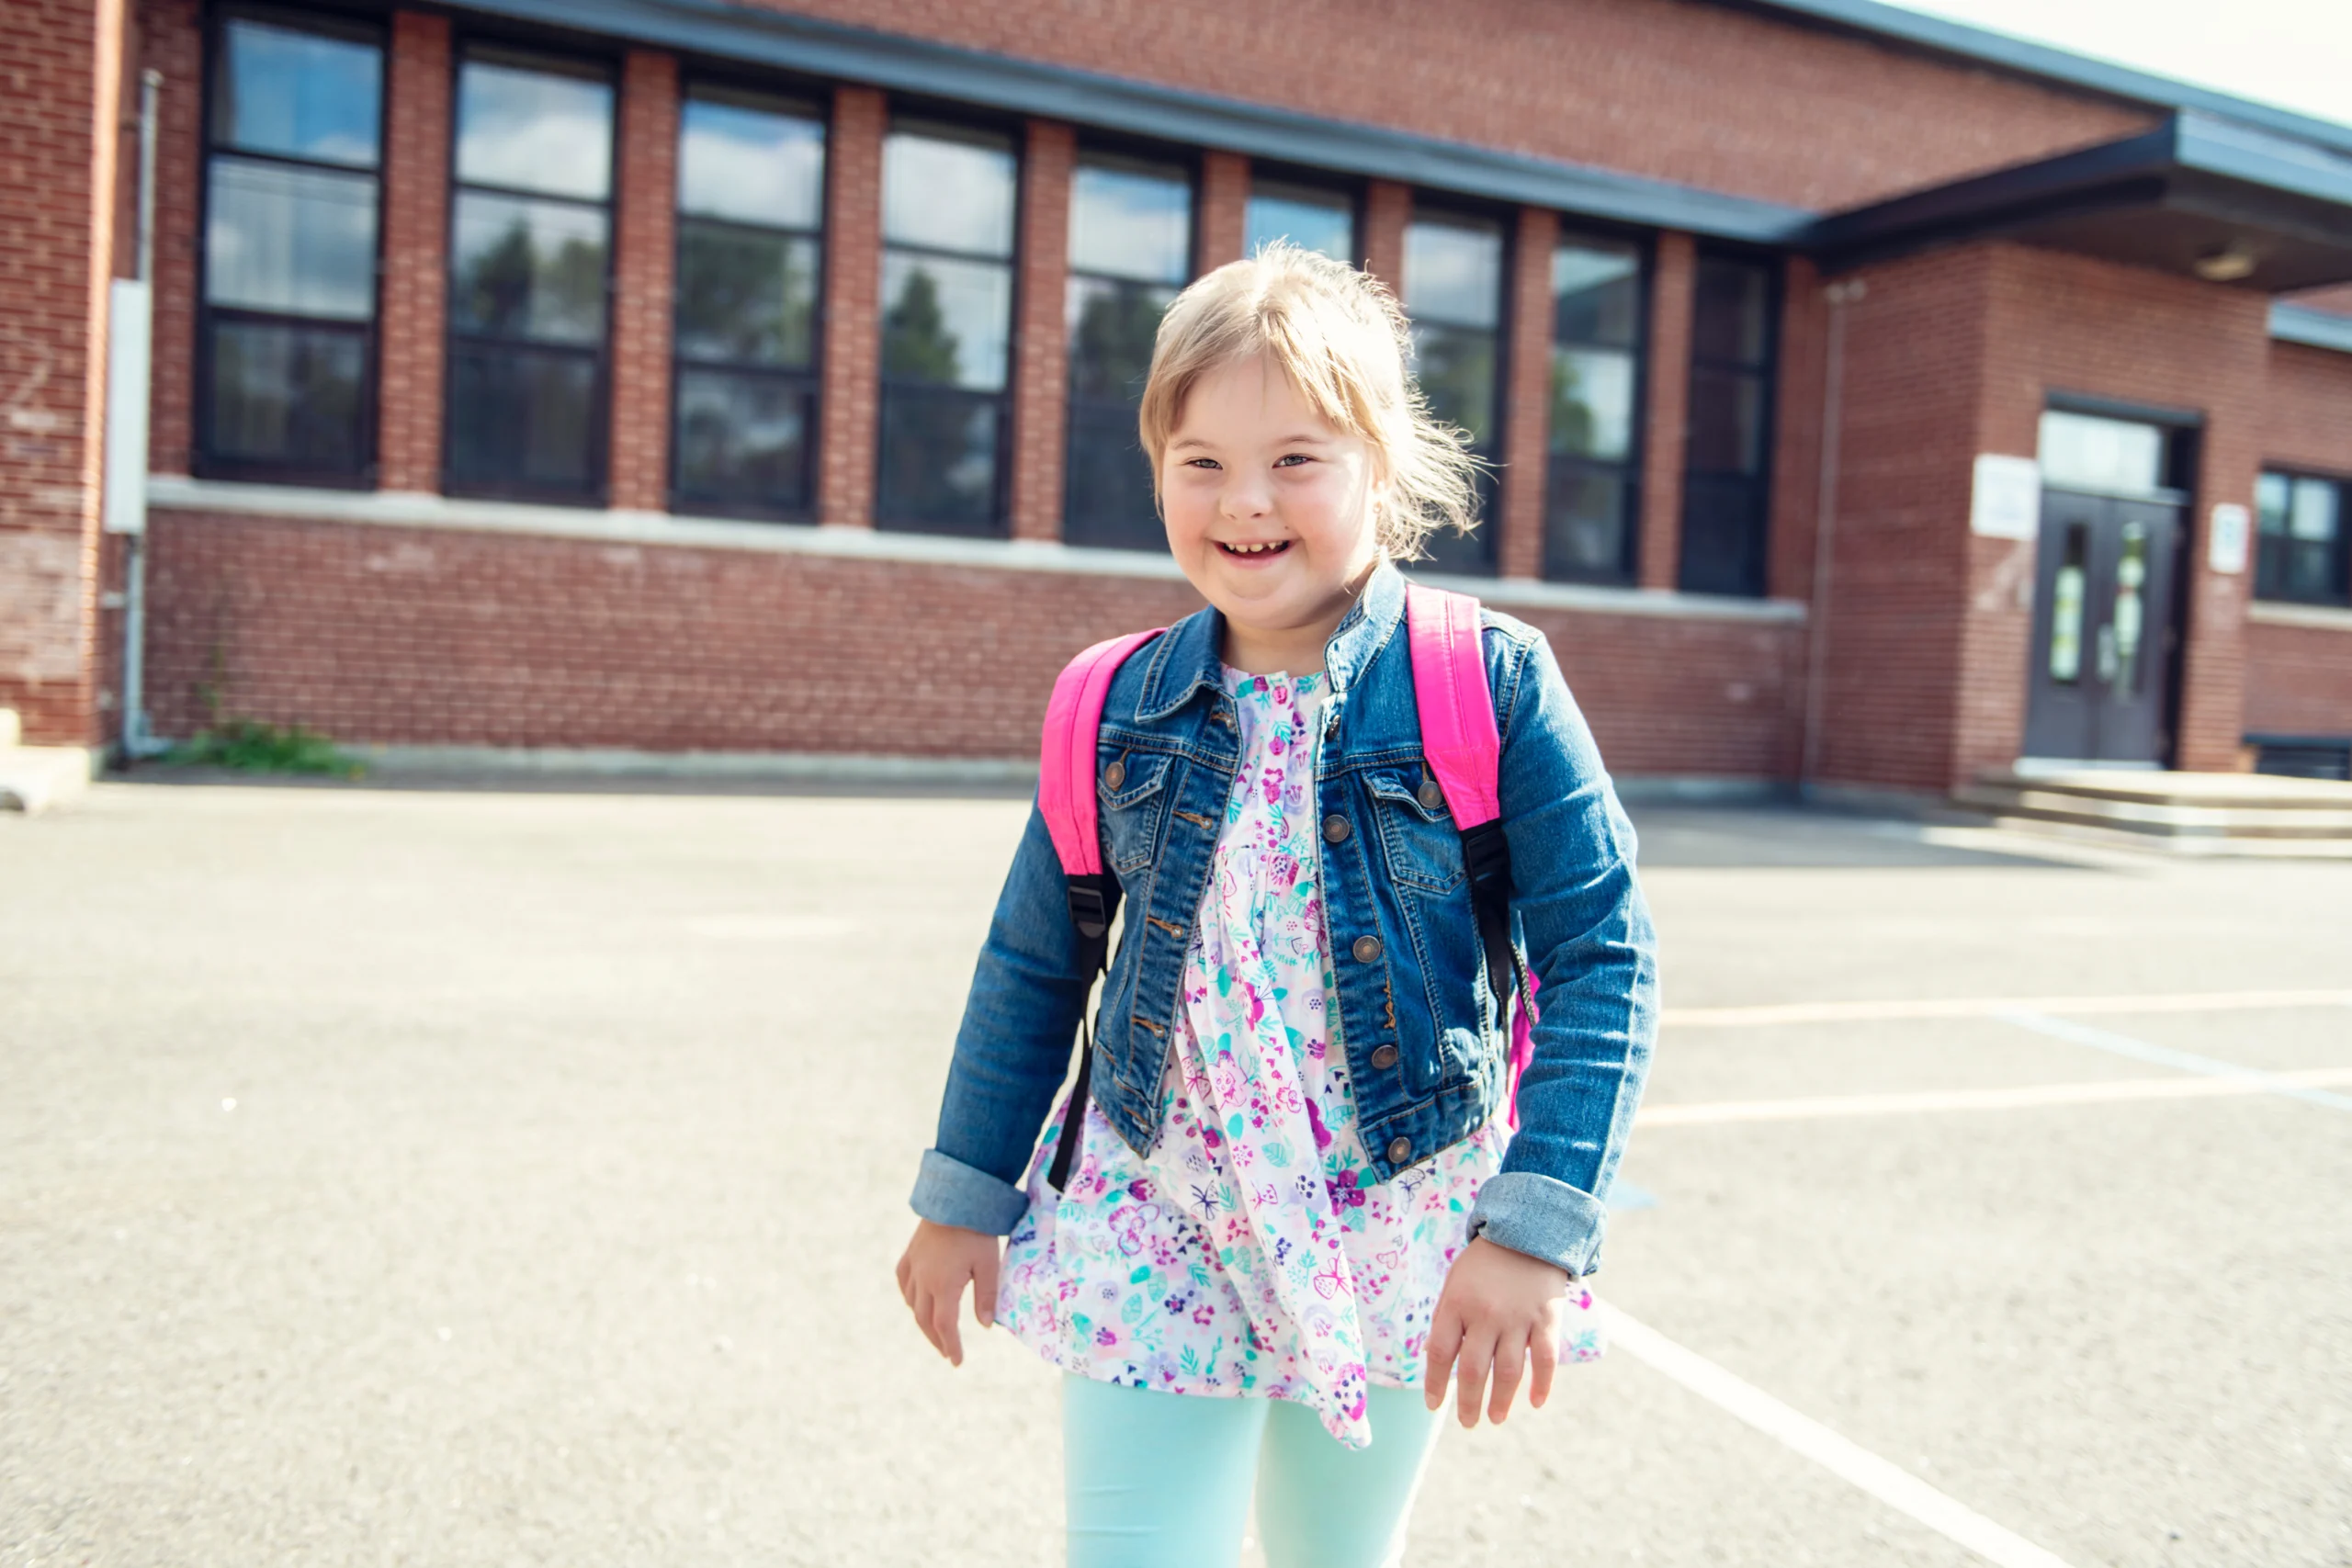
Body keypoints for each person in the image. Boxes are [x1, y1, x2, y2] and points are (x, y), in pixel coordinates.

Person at [895, 243, 1657, 1568]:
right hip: (1159, 1196)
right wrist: (965, 1187)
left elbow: (1602, 949)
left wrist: (1538, 1222)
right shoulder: (1112, 704)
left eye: (1297, 458)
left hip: (1392, 1201)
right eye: (1203, 462)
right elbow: (1035, 961)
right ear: (1159, 475)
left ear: (1383, 460)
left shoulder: (1485, 680)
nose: (1246, 500)